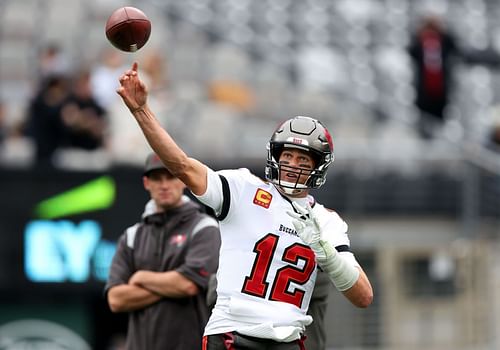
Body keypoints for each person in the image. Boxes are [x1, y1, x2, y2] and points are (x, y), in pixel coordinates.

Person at [116, 62, 373, 349]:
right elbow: (183, 166)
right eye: (287, 156)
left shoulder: (326, 221)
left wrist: (327, 255)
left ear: (318, 168)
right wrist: (141, 112)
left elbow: (363, 296)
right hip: (232, 332)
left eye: (303, 160)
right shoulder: (243, 190)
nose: (292, 165)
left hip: (288, 338)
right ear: (275, 156)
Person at [105, 152, 221, 350]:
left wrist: (141, 277)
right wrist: (171, 285)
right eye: (157, 178)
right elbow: (116, 299)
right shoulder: (132, 235)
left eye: (171, 176)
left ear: (184, 180)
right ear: (146, 183)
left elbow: (187, 286)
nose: (164, 185)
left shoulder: (205, 227)